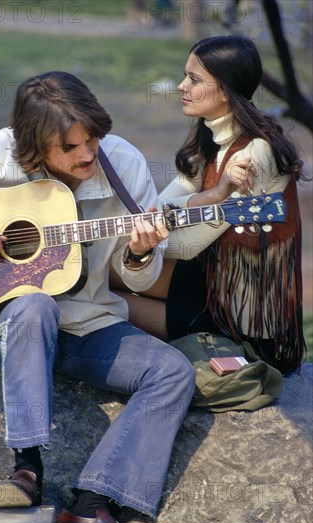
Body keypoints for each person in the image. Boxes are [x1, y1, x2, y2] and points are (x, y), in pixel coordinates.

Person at [0, 71, 196, 523]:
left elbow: (140, 277)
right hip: (8, 331)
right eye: (70, 146)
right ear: (34, 145)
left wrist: (141, 253)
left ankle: (90, 507)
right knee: (34, 303)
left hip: (87, 326)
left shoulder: (122, 164)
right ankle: (26, 469)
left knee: (172, 372)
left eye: (92, 139)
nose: (86, 154)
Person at [110, 35, 307, 375]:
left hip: (239, 321)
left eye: (194, 79)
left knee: (104, 299)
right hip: (210, 284)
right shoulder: (212, 140)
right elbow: (162, 205)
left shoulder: (255, 154)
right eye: (185, 75)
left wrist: (142, 241)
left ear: (226, 89)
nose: (181, 86)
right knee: (100, 272)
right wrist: (210, 197)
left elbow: (185, 245)